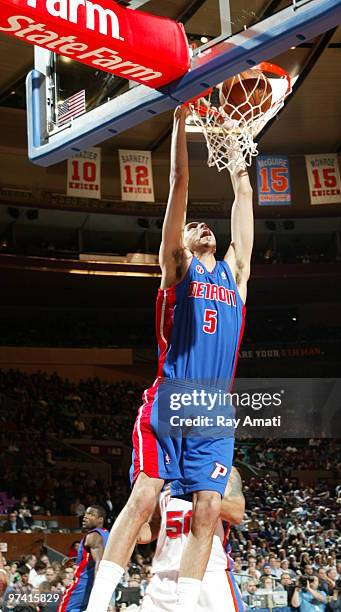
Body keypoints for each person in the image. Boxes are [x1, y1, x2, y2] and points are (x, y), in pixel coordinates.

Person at [86, 104, 253, 612]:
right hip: (172, 396)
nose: (201, 224)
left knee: (207, 509)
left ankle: (183, 605)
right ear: (177, 246)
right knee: (144, 496)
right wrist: (181, 124)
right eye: (191, 226)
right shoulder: (177, 271)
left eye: (206, 225)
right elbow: (180, 182)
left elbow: (243, 198)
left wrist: (237, 146)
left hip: (215, 410)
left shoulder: (235, 274)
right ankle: (97, 603)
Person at [139, 467, 245, 611]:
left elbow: (236, 513)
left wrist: (192, 491)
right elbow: (156, 525)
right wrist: (127, 535)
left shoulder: (226, 471)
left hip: (209, 575)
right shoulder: (165, 473)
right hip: (165, 577)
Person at [57, 505, 108, 612]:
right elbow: (97, 558)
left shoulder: (93, 536)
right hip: (90, 585)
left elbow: (100, 562)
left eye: (91, 514)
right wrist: (77, 560)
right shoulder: (105, 534)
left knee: (63, 609)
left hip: (82, 586)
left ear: (100, 520)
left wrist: (98, 589)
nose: (85, 517)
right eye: (85, 514)